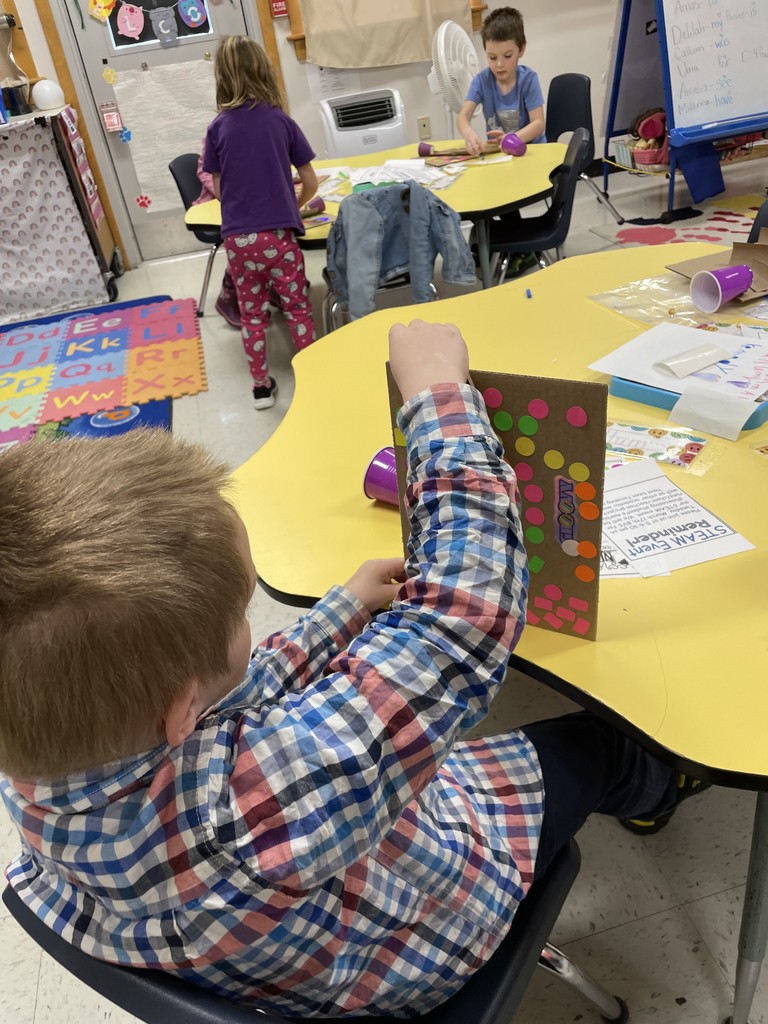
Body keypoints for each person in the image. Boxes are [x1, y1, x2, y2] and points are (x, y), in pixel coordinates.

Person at [0, 320, 708, 1019]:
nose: (252, 624)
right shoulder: (261, 803)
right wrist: (437, 394)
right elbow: (465, 617)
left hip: (268, 944)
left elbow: (228, 700)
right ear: (180, 706)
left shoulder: (39, 756)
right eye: (243, 613)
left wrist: (340, 613)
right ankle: (656, 786)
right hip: (419, 946)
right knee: (599, 744)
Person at [203, 35, 318, 410]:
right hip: (279, 237)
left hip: (238, 241)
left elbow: (218, 187)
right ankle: (315, 376)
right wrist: (293, 205)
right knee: (297, 308)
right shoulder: (281, 121)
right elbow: (311, 180)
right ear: (264, 71)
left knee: (253, 316)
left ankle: (261, 389)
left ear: (222, 77)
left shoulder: (217, 128)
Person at [457, 6, 545, 157]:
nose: (499, 64)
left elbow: (538, 124)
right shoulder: (482, 81)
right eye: (492, 57)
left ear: (521, 50)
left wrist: (511, 138)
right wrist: (469, 134)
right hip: (500, 155)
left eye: (508, 56)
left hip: (531, 152)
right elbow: (462, 116)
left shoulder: (528, 79)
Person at [193, 144, 241, 329]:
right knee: (246, 236)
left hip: (251, 198)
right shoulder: (220, 129)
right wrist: (227, 193)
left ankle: (273, 287)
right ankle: (228, 295)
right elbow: (204, 171)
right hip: (220, 201)